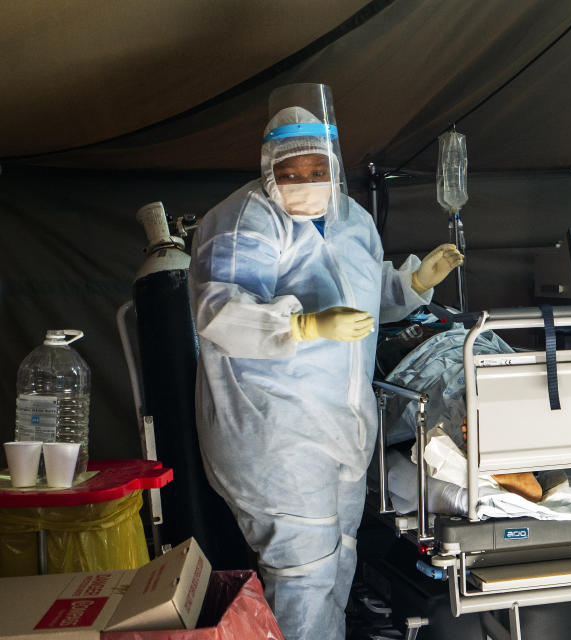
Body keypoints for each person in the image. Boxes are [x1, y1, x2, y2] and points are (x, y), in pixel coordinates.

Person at [188, 83, 462, 640]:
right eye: (291, 171)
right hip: (273, 431)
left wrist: (410, 283)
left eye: (318, 168)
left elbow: (360, 297)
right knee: (304, 574)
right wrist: (301, 324)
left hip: (339, 427)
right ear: (269, 168)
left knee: (338, 559)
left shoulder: (351, 220)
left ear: (334, 165)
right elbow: (219, 311)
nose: (306, 181)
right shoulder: (244, 221)